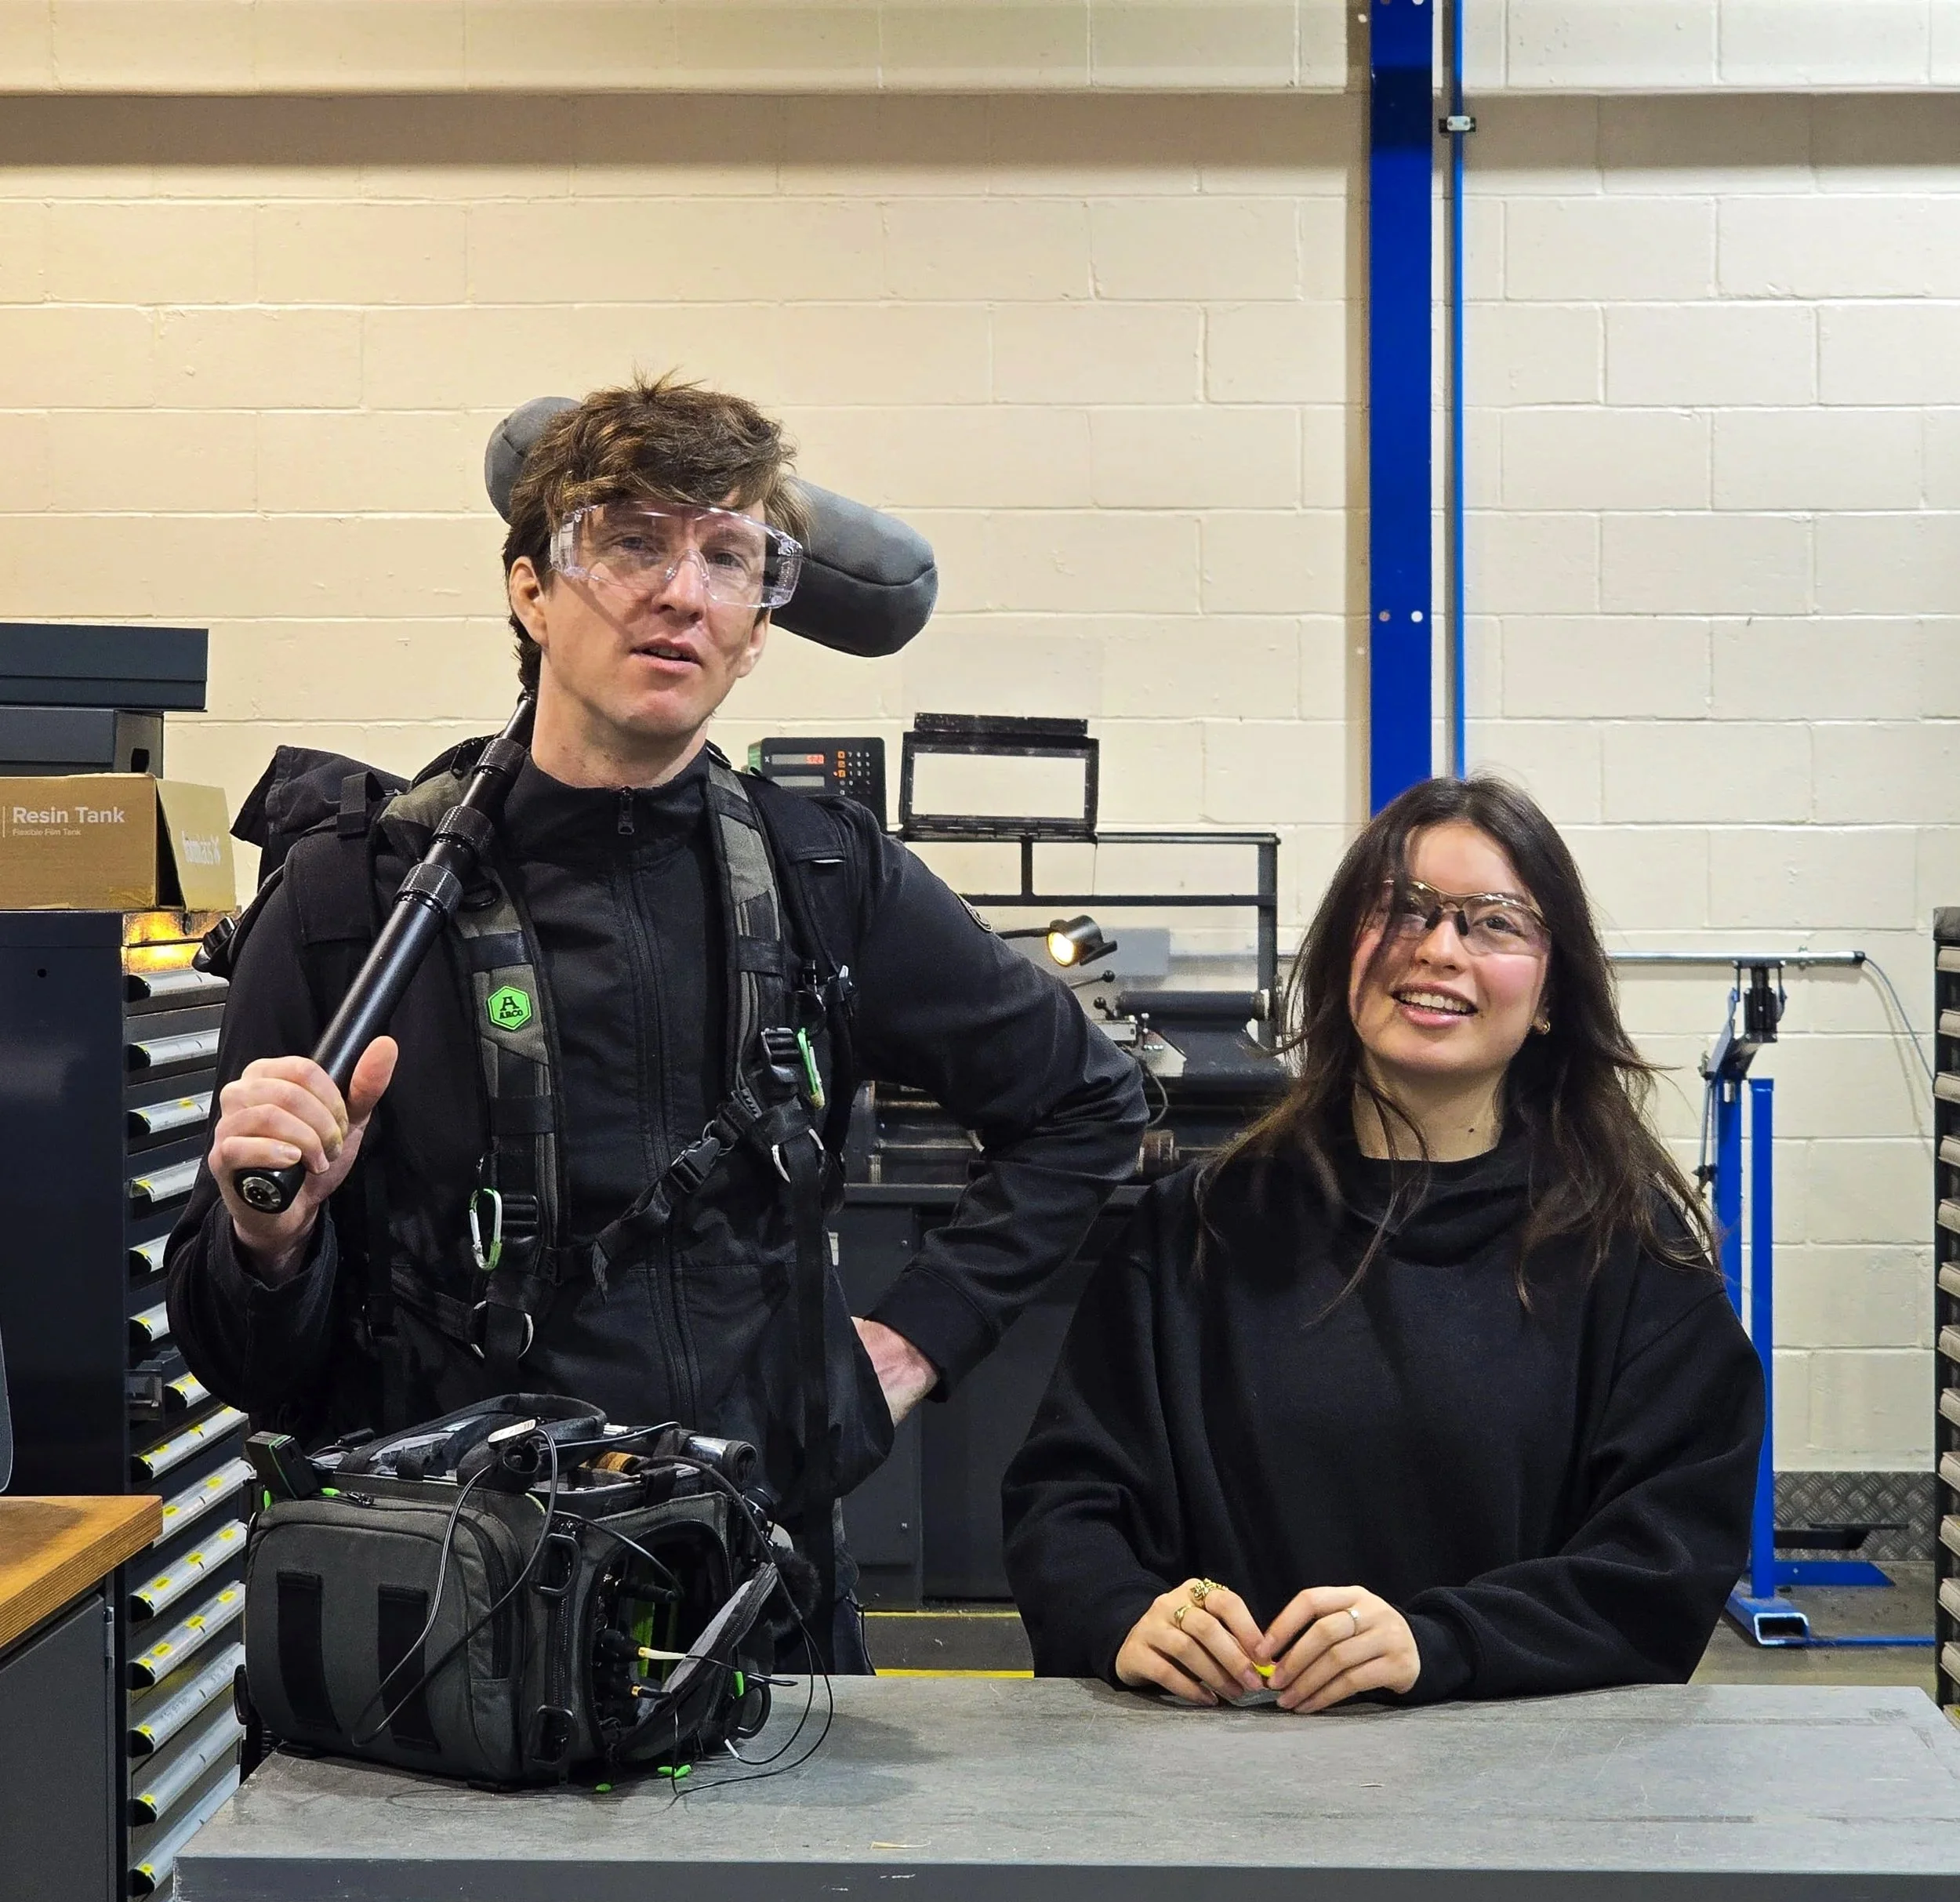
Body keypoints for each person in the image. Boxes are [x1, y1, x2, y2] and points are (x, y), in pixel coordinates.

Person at [168, 375, 1146, 1668]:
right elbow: (247, 1363)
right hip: (438, 1642)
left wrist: (908, 1347)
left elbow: (1088, 1102)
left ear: (752, 631)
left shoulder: (828, 882)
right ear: (531, 589)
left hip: (754, 1615)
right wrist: (268, 1238)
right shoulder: (352, 901)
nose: (681, 591)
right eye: (630, 541)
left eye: (727, 557)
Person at [1002, 774, 1763, 1710]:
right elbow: (1067, 1498)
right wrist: (1124, 1613)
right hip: (1217, 1783)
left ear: (1553, 991)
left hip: (1521, 1789)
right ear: (1341, 954)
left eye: (1495, 923)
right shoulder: (1197, 1229)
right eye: (1403, 910)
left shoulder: (1632, 1256)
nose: (1440, 949)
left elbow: (1664, 1565)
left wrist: (1440, 1644)